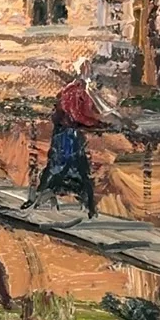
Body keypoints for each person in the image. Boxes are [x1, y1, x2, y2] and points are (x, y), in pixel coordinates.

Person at [34, 61, 119, 216]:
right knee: (62, 166)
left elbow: (86, 112)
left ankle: (87, 206)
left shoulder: (82, 91)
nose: (90, 76)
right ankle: (41, 197)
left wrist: (98, 122)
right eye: (87, 72)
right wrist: (95, 124)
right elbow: (76, 114)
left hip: (70, 134)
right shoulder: (73, 91)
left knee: (72, 168)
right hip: (66, 134)